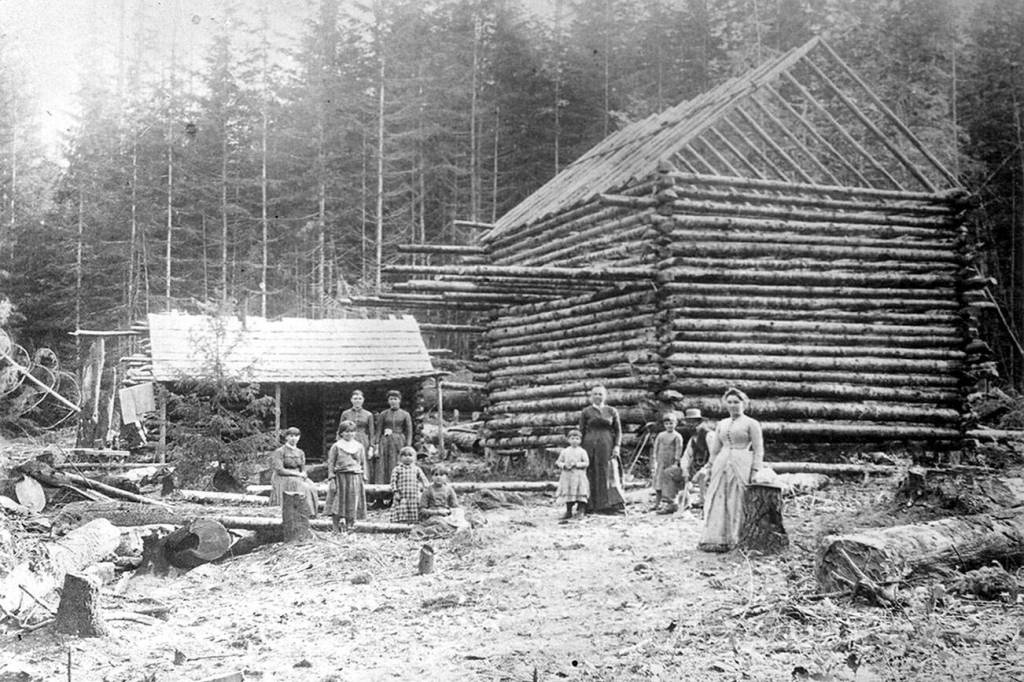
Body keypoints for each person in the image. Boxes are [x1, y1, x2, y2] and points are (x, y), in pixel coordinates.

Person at [698, 388, 764, 552]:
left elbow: (758, 449)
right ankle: (718, 538)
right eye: (730, 402)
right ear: (725, 404)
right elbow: (714, 450)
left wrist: (755, 471)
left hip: (742, 462)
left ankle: (737, 538)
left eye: (737, 402)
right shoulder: (722, 423)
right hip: (722, 462)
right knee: (718, 496)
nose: (733, 405)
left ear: (744, 403)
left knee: (738, 498)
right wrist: (709, 467)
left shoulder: (751, 423)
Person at [580, 385, 625, 515]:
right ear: (591, 396)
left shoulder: (611, 411)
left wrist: (617, 446)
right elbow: (581, 431)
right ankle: (589, 505)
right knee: (590, 471)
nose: (598, 397)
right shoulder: (586, 411)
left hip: (606, 444)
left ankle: (606, 505)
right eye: (595, 394)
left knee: (606, 472)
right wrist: (579, 450)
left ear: (605, 396)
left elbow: (618, 431)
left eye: (600, 394)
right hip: (589, 444)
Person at [660, 408, 715, 513]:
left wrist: (703, 470)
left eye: (693, 422)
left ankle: (704, 502)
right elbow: (686, 456)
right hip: (695, 468)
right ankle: (672, 503)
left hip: (710, 468)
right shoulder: (692, 439)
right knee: (669, 472)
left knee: (702, 475)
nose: (691, 425)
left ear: (699, 422)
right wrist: (685, 469)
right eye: (688, 422)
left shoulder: (709, 435)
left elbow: (715, 456)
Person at [325, 420, 368, 532]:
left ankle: (350, 526)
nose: (349, 434)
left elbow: (363, 462)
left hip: (354, 477)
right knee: (338, 501)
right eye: (346, 432)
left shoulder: (359, 446)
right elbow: (331, 463)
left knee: (352, 501)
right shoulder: (336, 446)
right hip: (340, 477)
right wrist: (331, 477)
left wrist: (364, 476)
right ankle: (335, 527)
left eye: (352, 431)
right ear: (341, 433)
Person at [268, 427, 318, 517]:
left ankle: (312, 514)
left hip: (297, 476)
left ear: (299, 437)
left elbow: (303, 468)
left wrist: (304, 474)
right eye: (291, 436)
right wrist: (297, 474)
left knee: (312, 486)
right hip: (283, 477)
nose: (293, 438)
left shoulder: (300, 452)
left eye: (296, 436)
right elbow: (279, 470)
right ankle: (303, 513)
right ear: (286, 437)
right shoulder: (280, 451)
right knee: (304, 487)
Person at [376, 390, 413, 485]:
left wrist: (408, 446)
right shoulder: (383, 414)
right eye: (391, 399)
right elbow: (379, 430)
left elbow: (409, 431)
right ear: (388, 401)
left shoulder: (405, 414)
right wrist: (376, 444)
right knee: (384, 464)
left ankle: (398, 486)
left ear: (399, 400)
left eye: (395, 399)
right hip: (385, 442)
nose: (393, 401)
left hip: (399, 441)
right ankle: (383, 489)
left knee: (397, 462)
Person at [649, 412, 684, 513]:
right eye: (667, 424)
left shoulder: (677, 436)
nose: (669, 425)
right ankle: (657, 503)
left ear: (675, 424)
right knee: (658, 482)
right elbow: (656, 447)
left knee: (670, 483)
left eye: (671, 423)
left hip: (670, 462)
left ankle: (674, 502)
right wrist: (654, 458)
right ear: (664, 425)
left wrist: (676, 462)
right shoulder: (661, 435)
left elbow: (678, 449)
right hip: (661, 462)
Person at [340, 389, 376, 482]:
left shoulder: (368, 415)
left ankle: (365, 484)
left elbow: (372, 432)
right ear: (351, 400)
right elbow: (340, 429)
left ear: (363, 400)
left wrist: (372, 447)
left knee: (364, 463)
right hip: (348, 439)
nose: (357, 401)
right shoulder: (345, 414)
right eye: (355, 398)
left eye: (359, 398)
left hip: (363, 440)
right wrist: (339, 443)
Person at [555, 428, 590, 521]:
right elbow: (558, 462)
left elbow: (586, 463)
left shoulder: (582, 451)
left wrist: (577, 464)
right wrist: (564, 465)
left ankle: (581, 511)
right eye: (572, 438)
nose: (575, 440)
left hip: (579, 476)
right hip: (568, 477)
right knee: (568, 493)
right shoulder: (565, 451)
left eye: (577, 438)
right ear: (568, 440)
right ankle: (568, 511)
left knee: (580, 492)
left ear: (580, 440)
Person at [390, 446, 429, 524]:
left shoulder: (416, 469)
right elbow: (393, 481)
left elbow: (423, 478)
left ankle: (414, 521)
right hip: (402, 494)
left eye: (410, 455)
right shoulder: (397, 469)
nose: (407, 457)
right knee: (402, 507)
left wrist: (426, 487)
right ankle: (402, 522)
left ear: (414, 458)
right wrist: (395, 491)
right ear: (400, 458)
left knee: (414, 507)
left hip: (414, 494)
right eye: (404, 455)